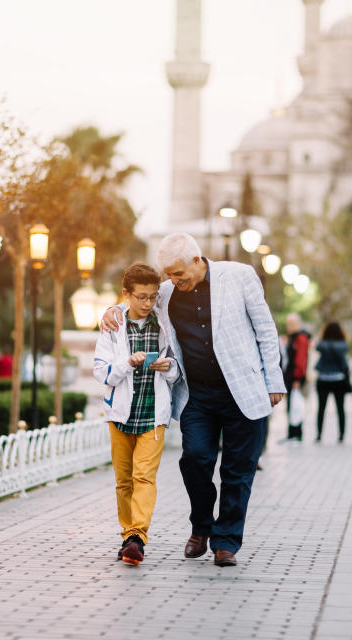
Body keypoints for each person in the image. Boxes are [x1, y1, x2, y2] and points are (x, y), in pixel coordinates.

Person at [100, 233, 285, 568]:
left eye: (178, 273)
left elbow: (266, 331)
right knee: (196, 460)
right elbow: (136, 302)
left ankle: (226, 542)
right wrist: (110, 311)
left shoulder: (240, 276)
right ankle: (201, 525)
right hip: (197, 394)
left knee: (237, 471)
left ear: (197, 261)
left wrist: (274, 380)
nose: (172, 280)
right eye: (168, 274)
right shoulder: (168, 291)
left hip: (243, 390)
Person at [93, 263, 181, 565]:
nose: (147, 304)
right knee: (124, 481)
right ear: (126, 294)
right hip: (120, 414)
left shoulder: (164, 324)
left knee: (144, 476)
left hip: (152, 414)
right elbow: (101, 372)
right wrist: (127, 363)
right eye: (141, 297)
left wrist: (168, 368)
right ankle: (127, 533)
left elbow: (177, 369)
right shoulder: (113, 326)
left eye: (152, 297)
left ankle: (136, 538)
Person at [314, 321, 350, 442]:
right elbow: (345, 348)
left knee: (321, 409)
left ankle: (319, 434)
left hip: (323, 379)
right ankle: (341, 434)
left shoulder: (323, 344)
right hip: (338, 379)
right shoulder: (343, 344)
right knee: (340, 408)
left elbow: (317, 346)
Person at [282, 313, 311, 440]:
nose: (289, 326)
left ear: (298, 324)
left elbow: (301, 359)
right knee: (291, 405)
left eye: (292, 323)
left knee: (295, 405)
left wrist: (297, 378)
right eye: (288, 323)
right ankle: (292, 433)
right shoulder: (293, 337)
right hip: (290, 377)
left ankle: (296, 433)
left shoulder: (301, 338)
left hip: (295, 378)